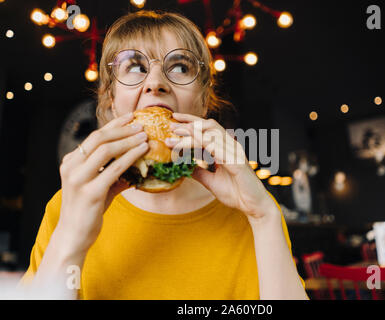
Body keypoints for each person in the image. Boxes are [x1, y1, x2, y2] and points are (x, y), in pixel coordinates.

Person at [20, 10, 308, 300]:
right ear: (111, 100)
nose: (155, 82)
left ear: (204, 100)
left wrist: (264, 216)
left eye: (180, 67)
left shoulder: (253, 212)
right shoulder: (68, 206)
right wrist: (71, 238)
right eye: (134, 66)